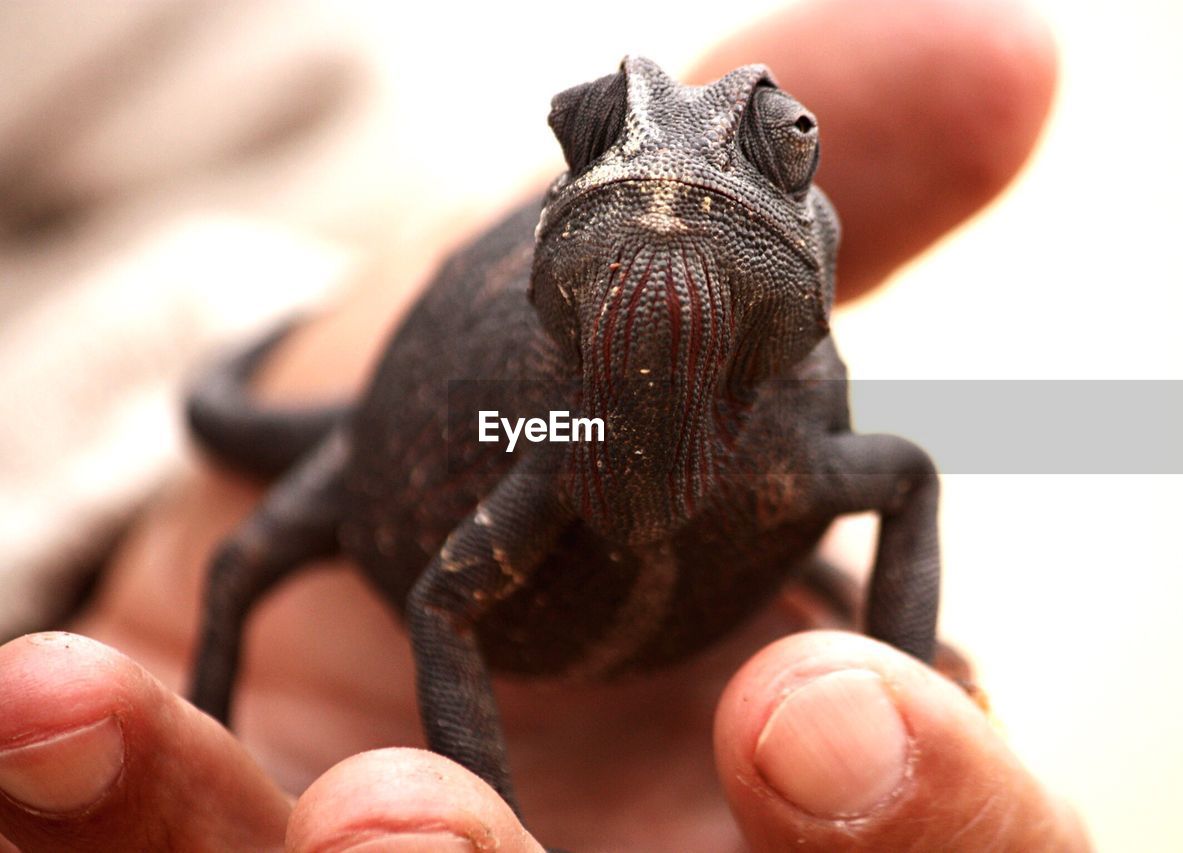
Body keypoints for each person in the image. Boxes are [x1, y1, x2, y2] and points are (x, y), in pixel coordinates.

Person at [0, 1, 1088, 849]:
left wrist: (894, 668)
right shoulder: (574, 442)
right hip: (474, 435)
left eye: (779, 143)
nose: (668, 185)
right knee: (245, 560)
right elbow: (444, 602)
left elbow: (899, 479)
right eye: (593, 136)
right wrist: (493, 810)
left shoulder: (781, 439)